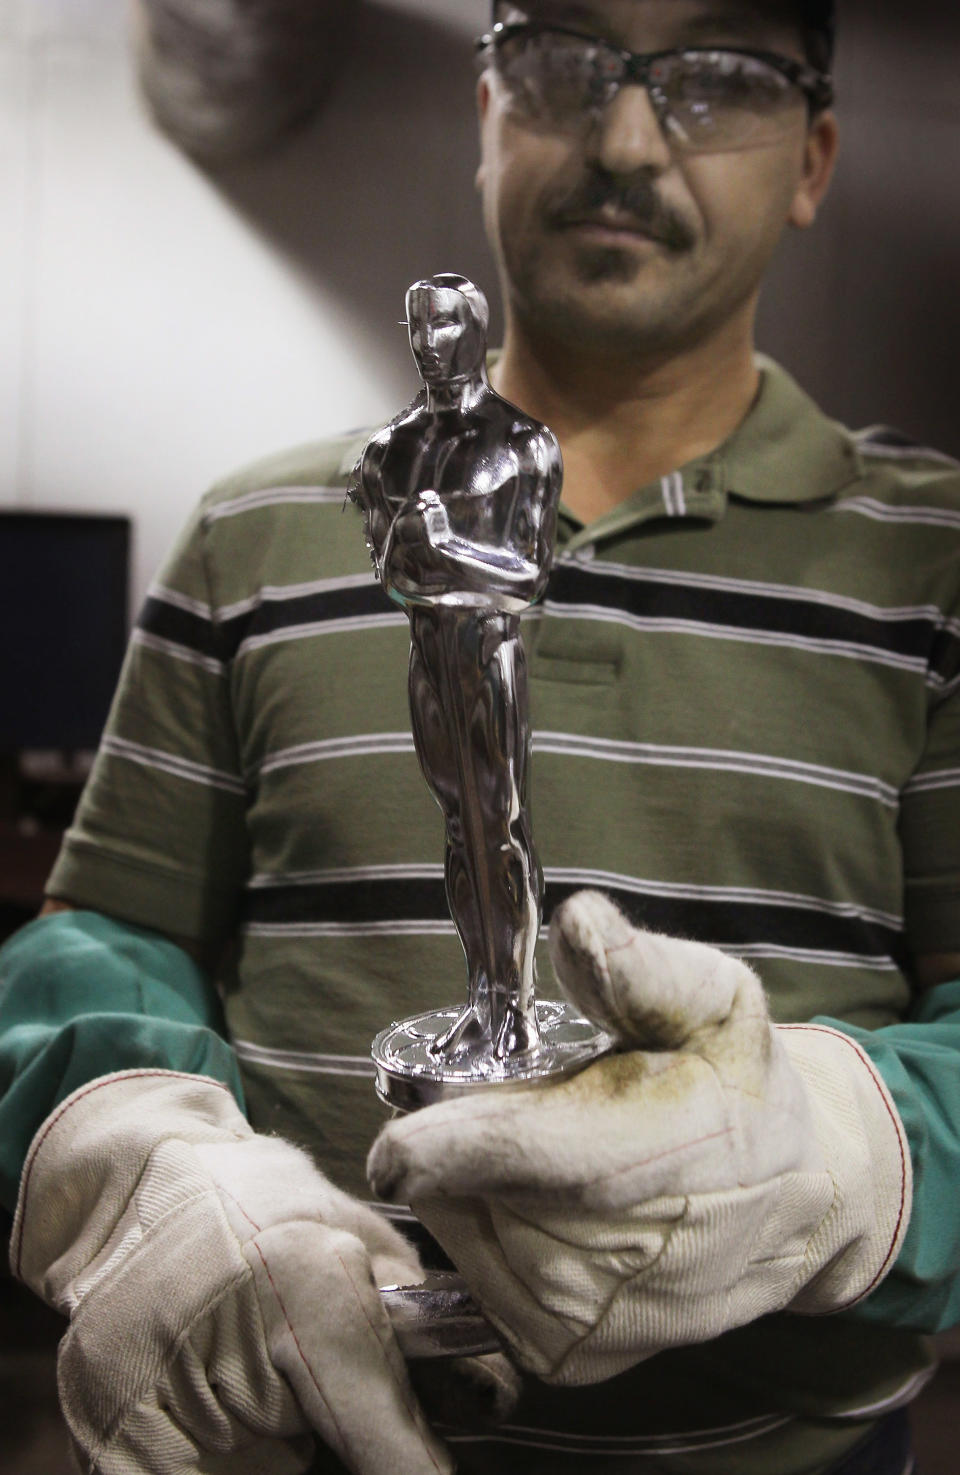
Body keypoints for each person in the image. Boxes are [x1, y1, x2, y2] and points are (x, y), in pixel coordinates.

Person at [2, 2, 959, 1474]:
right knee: (475, 826)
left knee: (495, 833)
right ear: (484, 113)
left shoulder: (937, 561)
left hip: (802, 1451)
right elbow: (106, 930)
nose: (628, 138)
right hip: (296, 1437)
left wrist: (854, 1154)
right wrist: (135, 1153)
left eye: (717, 78)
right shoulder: (254, 531)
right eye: (565, 61)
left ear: (817, 153)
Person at [352, 273, 563, 1064]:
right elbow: (390, 573)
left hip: (489, 651)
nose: (428, 344)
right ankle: (482, 996)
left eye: (443, 327)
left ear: (476, 330)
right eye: (417, 326)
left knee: (500, 825)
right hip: (429, 652)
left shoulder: (524, 444)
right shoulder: (389, 449)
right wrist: (419, 560)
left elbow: (529, 578)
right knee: (456, 826)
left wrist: (446, 547)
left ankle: (517, 1006)